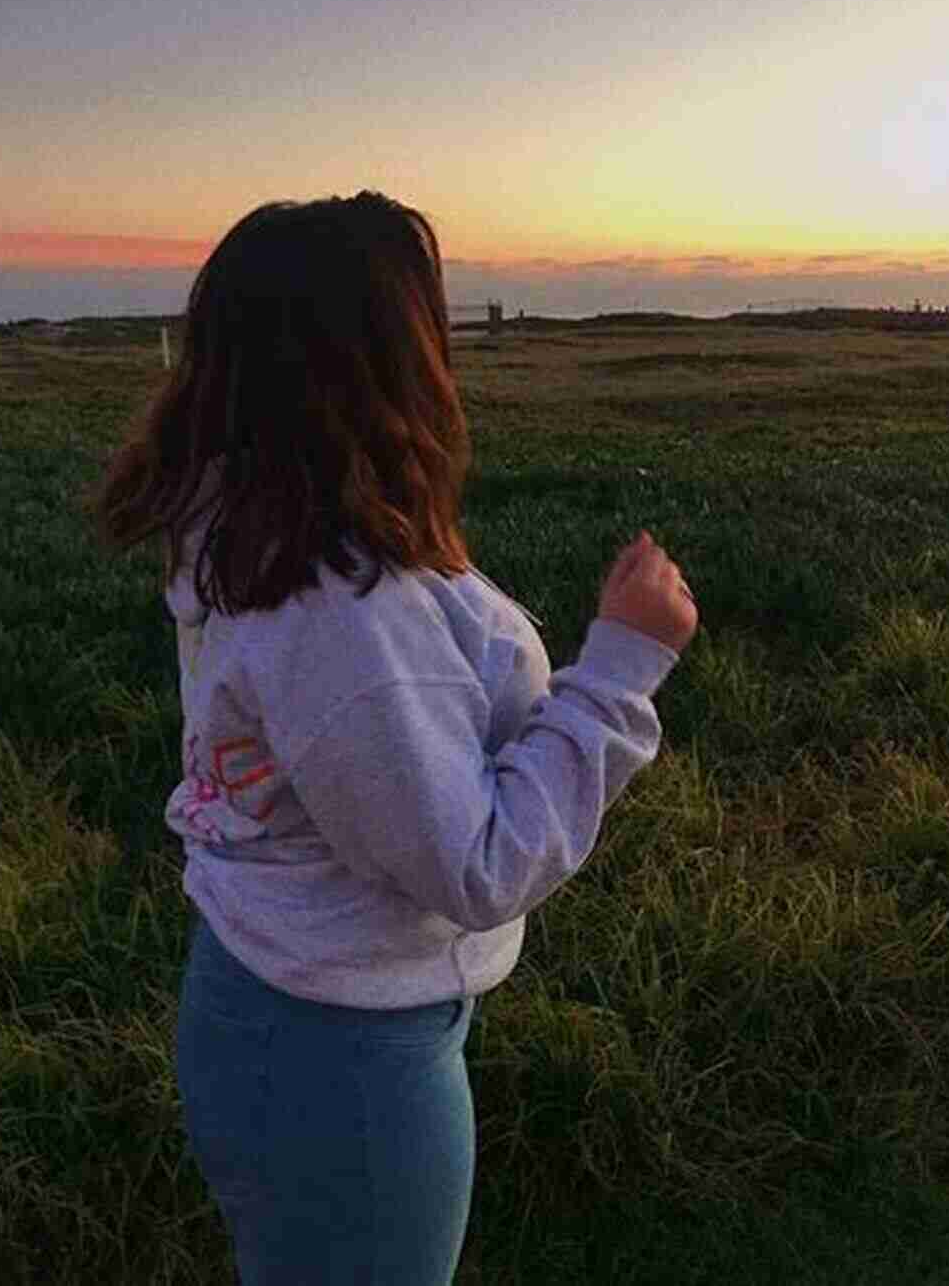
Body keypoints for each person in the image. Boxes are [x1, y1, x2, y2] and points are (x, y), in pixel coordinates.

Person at [94, 191, 699, 1286]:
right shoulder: (342, 609)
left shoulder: (261, 527)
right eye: (428, 323)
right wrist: (620, 664)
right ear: (380, 359)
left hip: (292, 1011)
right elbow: (471, 862)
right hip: (343, 1057)